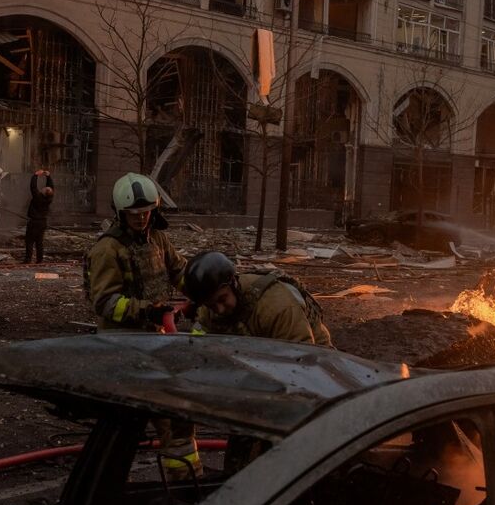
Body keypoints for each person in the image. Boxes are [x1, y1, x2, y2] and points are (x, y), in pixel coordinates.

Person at [83, 172, 197, 479]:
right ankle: (101, 489)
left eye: (146, 212)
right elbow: (105, 303)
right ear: (121, 213)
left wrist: (202, 290)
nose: (141, 218)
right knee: (123, 423)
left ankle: (185, 481)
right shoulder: (108, 249)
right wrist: (148, 311)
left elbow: (179, 271)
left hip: (154, 342)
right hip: (120, 347)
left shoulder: (158, 238)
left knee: (174, 416)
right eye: (134, 213)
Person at [182, 251, 332, 346]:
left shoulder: (277, 307)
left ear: (234, 283)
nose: (219, 310)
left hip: (316, 360)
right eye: (211, 305)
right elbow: (199, 340)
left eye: (222, 299)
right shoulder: (208, 309)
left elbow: (301, 357)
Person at [24, 169, 54, 264]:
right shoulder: (49, 198)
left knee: (29, 241)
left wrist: (35, 175)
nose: (44, 187)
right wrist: (48, 177)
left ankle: (28, 259)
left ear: (44, 192)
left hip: (34, 222)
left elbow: (33, 187)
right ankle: (39, 260)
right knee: (39, 242)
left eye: (45, 188)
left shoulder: (38, 197)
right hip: (42, 222)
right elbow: (51, 188)